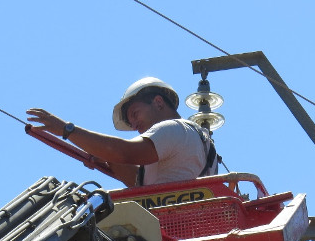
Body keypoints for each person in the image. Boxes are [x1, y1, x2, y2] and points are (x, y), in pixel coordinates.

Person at [27, 77, 217, 188]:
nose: (134, 125)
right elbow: (138, 184)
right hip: (182, 222)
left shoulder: (173, 128)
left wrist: (67, 130)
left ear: (158, 103)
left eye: (135, 114)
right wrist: (107, 157)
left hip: (171, 224)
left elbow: (125, 152)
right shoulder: (193, 138)